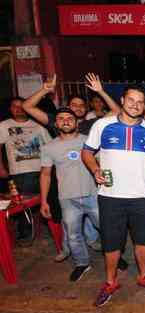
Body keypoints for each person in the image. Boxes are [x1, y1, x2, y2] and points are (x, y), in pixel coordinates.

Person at [82, 84, 145, 307]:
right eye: (131, 100)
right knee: (112, 243)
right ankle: (110, 282)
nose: (135, 105)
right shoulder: (103, 125)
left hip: (142, 197)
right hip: (110, 196)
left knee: (143, 241)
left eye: (140, 102)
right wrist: (95, 170)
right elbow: (87, 152)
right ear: (122, 100)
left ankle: (143, 277)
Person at [40, 107, 100, 281]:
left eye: (69, 118)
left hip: (93, 194)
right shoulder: (49, 147)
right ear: (56, 123)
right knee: (73, 235)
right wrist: (44, 201)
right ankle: (82, 263)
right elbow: (45, 174)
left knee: (106, 227)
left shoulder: (89, 141)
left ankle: (115, 256)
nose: (65, 121)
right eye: (61, 118)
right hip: (67, 199)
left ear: (76, 122)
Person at [0, 97, 52, 239]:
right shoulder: (4, 125)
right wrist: (1, 167)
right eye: (14, 106)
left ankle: (44, 227)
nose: (18, 109)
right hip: (19, 172)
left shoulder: (38, 125)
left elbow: (50, 145)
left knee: (43, 200)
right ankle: (25, 232)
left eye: (20, 106)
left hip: (42, 170)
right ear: (10, 109)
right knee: (22, 203)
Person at [23, 73, 120, 136]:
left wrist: (101, 91)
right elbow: (27, 106)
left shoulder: (92, 124)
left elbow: (117, 111)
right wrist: (44, 90)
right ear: (68, 107)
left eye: (82, 105)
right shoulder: (58, 122)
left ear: (86, 109)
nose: (78, 107)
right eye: (74, 105)